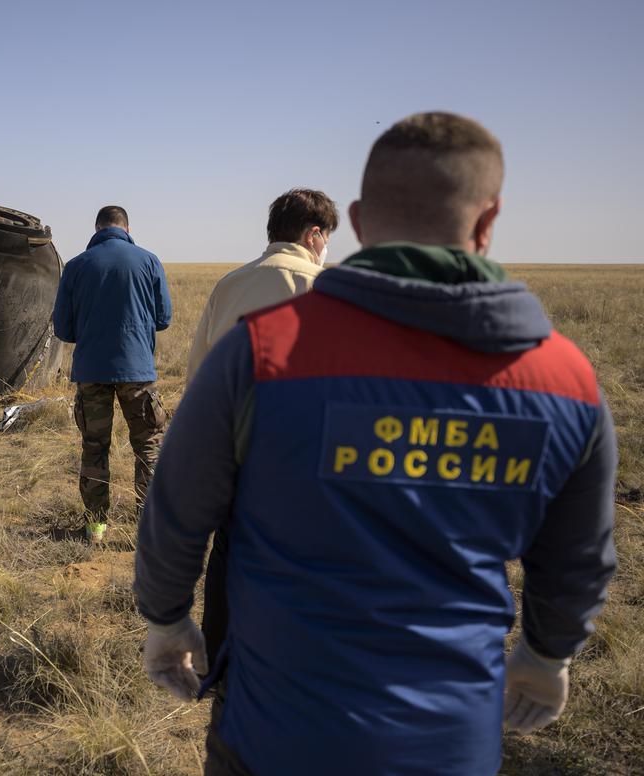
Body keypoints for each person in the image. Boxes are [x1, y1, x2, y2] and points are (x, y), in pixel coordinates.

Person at [134, 112, 617, 775]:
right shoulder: (566, 382)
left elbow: (178, 507)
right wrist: (545, 655)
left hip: (273, 736)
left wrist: (165, 618)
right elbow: (579, 559)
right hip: (452, 745)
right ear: (489, 219)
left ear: (358, 221)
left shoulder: (262, 354)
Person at [53, 205, 172, 544]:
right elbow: (164, 318)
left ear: (97, 228)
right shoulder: (149, 261)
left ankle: (95, 529)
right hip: (137, 371)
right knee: (148, 446)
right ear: (127, 229)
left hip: (91, 371)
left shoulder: (75, 266)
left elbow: (63, 328)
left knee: (94, 447)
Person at [185, 189, 337, 382]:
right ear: (313, 235)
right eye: (326, 239)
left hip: (231, 407)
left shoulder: (228, 284)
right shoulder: (323, 285)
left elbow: (198, 367)